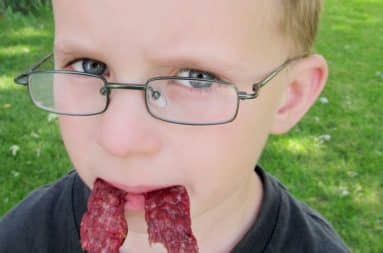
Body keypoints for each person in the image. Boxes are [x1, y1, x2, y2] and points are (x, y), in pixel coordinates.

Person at [0, 0, 351, 252]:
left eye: (196, 78)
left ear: (289, 95)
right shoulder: (21, 237)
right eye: (90, 66)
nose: (119, 140)